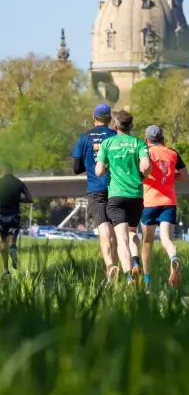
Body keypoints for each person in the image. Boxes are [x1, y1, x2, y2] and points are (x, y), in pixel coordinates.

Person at [95, 110, 150, 286]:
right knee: (133, 232)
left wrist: (106, 170)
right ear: (131, 126)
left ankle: (128, 276)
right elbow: (147, 166)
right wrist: (142, 175)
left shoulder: (107, 143)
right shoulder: (139, 143)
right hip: (135, 195)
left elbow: (99, 170)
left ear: (115, 126)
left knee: (121, 239)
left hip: (116, 196)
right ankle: (136, 262)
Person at [71, 104, 118, 281]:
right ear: (110, 119)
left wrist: (89, 163)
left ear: (94, 117)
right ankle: (117, 266)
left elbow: (76, 168)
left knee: (103, 229)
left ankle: (110, 267)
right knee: (115, 231)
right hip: (116, 188)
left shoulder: (84, 138)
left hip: (95, 189)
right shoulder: (115, 135)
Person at [139, 125, 188, 288]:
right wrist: (168, 176)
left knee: (147, 242)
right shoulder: (172, 152)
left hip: (149, 202)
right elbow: (185, 175)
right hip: (169, 202)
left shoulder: (145, 152)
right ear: (162, 139)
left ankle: (147, 281)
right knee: (166, 239)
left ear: (147, 140)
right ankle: (173, 258)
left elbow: (141, 172)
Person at [0, 163, 32, 276]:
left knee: (3, 242)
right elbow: (29, 198)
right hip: (14, 214)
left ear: (2, 171)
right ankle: (13, 250)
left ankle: (5, 270)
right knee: (12, 240)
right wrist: (18, 200)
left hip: (1, 215)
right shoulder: (19, 183)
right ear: (12, 171)